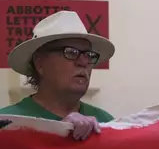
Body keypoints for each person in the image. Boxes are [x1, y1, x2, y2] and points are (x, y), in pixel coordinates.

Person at [0, 11, 115, 141]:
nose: (83, 62)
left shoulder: (106, 122)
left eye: (89, 55)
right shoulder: (7, 124)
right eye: (71, 52)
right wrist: (57, 133)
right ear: (40, 64)